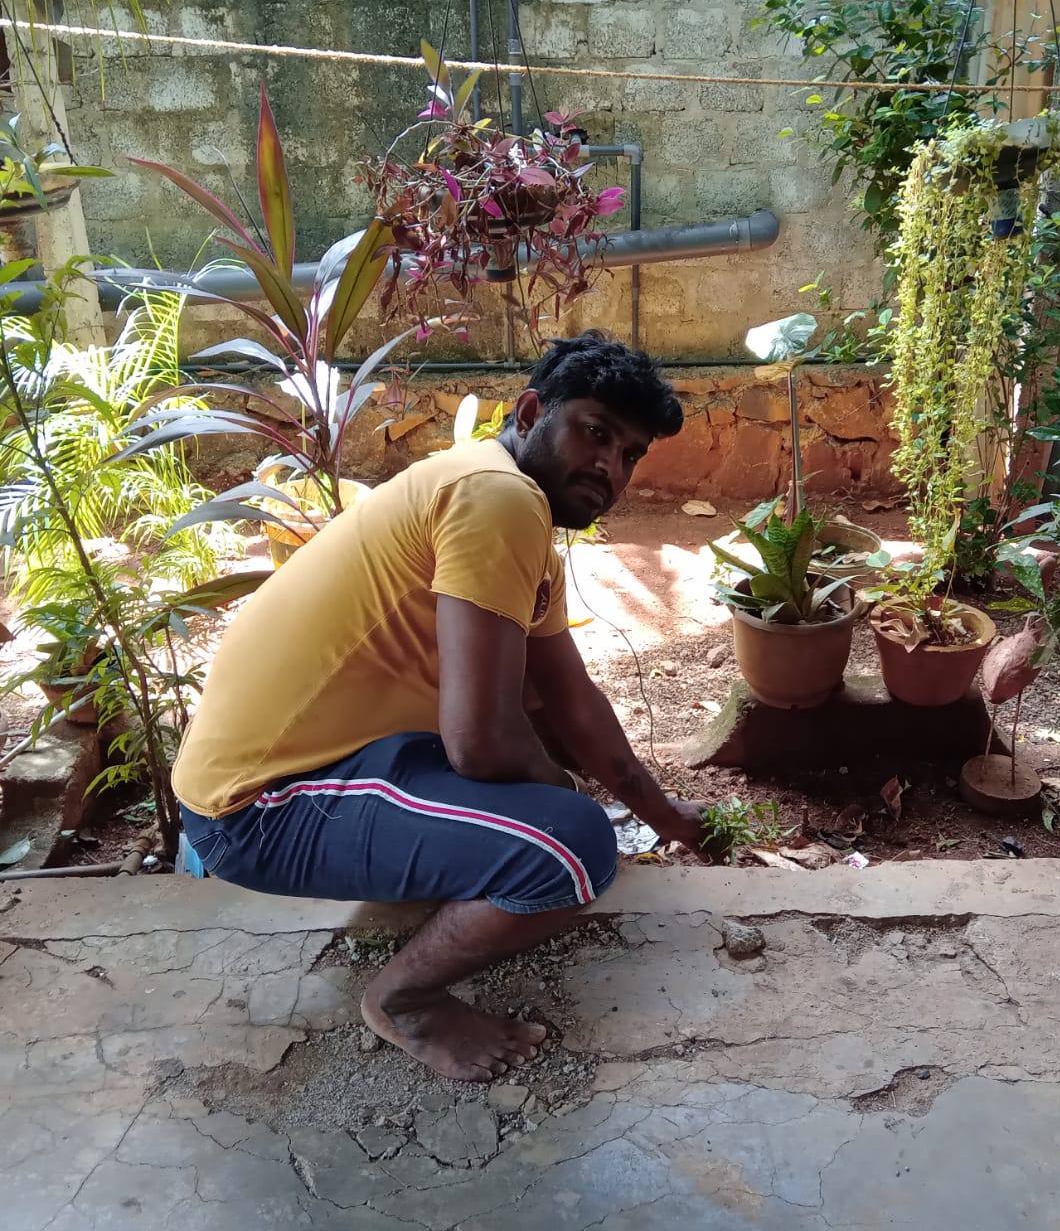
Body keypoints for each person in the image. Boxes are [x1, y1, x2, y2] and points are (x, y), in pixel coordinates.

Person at [173, 330, 711, 1082]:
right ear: (530, 413)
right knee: (574, 847)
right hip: (258, 808)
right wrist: (570, 801)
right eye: (595, 434)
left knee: (539, 734)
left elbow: (568, 698)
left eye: (630, 454)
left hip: (329, 765)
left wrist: (662, 815)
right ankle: (407, 1001)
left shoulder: (499, 499)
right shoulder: (497, 497)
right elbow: (481, 743)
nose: (609, 468)